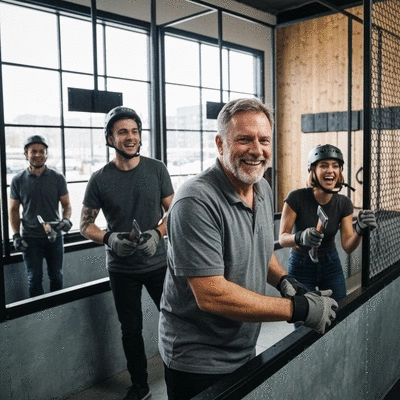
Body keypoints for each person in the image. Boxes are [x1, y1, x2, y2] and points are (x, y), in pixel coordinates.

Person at [159, 98, 338, 400]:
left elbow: (259, 251)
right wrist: (298, 308)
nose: (257, 150)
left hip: (243, 347)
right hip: (197, 361)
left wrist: (285, 282)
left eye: (264, 140)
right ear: (220, 144)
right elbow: (211, 294)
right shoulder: (195, 201)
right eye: (244, 139)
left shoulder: (262, 189)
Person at [80, 106, 174, 400]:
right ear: (110, 138)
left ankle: (180, 378)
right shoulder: (99, 178)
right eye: (123, 132)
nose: (131, 137)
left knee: (175, 322)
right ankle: (140, 386)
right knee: (130, 330)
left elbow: (175, 211)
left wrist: (158, 233)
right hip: (122, 271)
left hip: (159, 264)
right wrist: (110, 238)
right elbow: (85, 225)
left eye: (135, 131)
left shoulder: (156, 169)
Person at [279, 144, 377, 302]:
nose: (330, 170)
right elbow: (283, 238)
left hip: (330, 264)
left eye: (335, 166)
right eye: (323, 165)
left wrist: (359, 230)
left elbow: (347, 246)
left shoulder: (344, 203)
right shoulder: (296, 198)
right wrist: (300, 237)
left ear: (339, 171)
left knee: (339, 312)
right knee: (303, 317)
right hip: (300, 264)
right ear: (312, 170)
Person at [9, 135, 72, 298]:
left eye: (41, 151)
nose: (37, 155)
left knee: (56, 277)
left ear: (46, 154)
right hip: (30, 238)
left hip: (54, 237)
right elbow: (13, 210)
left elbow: (67, 205)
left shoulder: (58, 178)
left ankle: (58, 312)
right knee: (34, 279)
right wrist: (16, 235)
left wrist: (66, 220)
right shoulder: (18, 180)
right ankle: (40, 318)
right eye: (33, 152)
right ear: (25, 154)